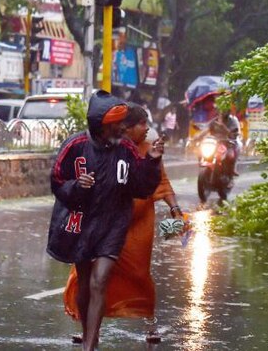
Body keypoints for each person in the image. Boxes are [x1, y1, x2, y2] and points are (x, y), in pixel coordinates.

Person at [47, 90, 164, 351]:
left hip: (113, 225)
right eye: (117, 124)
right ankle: (90, 333)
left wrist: (152, 163)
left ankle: (89, 346)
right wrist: (77, 186)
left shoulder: (126, 150)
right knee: (86, 280)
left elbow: (140, 186)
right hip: (82, 224)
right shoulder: (74, 147)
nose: (123, 128)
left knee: (100, 280)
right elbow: (57, 183)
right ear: (102, 125)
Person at [62, 103, 183, 342]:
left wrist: (175, 209)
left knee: (138, 275)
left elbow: (162, 182)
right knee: (87, 277)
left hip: (137, 227)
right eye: (142, 124)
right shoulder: (106, 148)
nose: (147, 129)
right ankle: (89, 333)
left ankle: (150, 325)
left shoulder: (148, 150)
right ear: (126, 127)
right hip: (104, 223)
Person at [193, 109, 241, 177]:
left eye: (224, 111)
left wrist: (222, 126)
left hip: (226, 142)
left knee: (232, 154)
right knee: (201, 149)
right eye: (220, 112)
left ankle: (232, 169)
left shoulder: (232, 121)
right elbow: (207, 129)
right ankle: (201, 161)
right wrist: (198, 137)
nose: (222, 113)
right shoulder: (214, 121)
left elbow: (233, 133)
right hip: (214, 142)